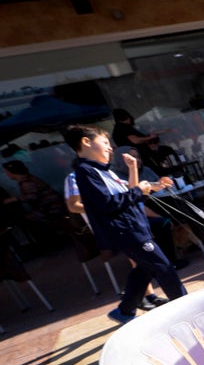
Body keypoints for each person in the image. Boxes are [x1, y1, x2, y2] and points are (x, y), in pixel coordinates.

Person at [66, 125, 187, 323]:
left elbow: (127, 194)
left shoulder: (102, 171)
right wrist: (139, 190)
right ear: (86, 142)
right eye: (105, 142)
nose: (109, 147)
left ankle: (125, 310)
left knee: (145, 267)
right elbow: (108, 204)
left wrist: (149, 186)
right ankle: (185, 306)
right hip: (125, 230)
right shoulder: (86, 172)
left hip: (132, 227)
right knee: (163, 266)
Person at [112, 108, 180, 178]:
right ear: (127, 117)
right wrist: (150, 138)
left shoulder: (118, 130)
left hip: (137, 157)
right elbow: (135, 140)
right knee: (154, 173)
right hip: (142, 156)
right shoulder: (124, 128)